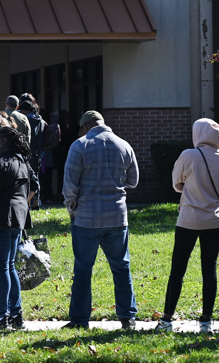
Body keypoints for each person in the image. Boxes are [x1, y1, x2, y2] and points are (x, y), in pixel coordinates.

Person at [156, 119, 219, 334]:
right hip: (215, 220)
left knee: (178, 269)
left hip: (189, 219)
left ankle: (167, 319)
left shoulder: (189, 155)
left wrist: (190, 187)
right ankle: (206, 321)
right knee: (209, 269)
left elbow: (176, 183)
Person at [62, 110, 139, 330]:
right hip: (117, 216)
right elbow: (133, 181)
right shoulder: (124, 145)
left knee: (83, 270)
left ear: (85, 126)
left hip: (86, 218)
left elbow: (70, 184)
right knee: (121, 267)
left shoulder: (79, 146)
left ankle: (79, 320)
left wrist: (71, 205)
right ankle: (127, 317)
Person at [0, 127, 38, 329]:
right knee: (9, 267)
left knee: (2, 269)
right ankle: (15, 315)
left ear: (3, 141)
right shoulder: (22, 163)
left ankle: (1, 317)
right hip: (17, 221)